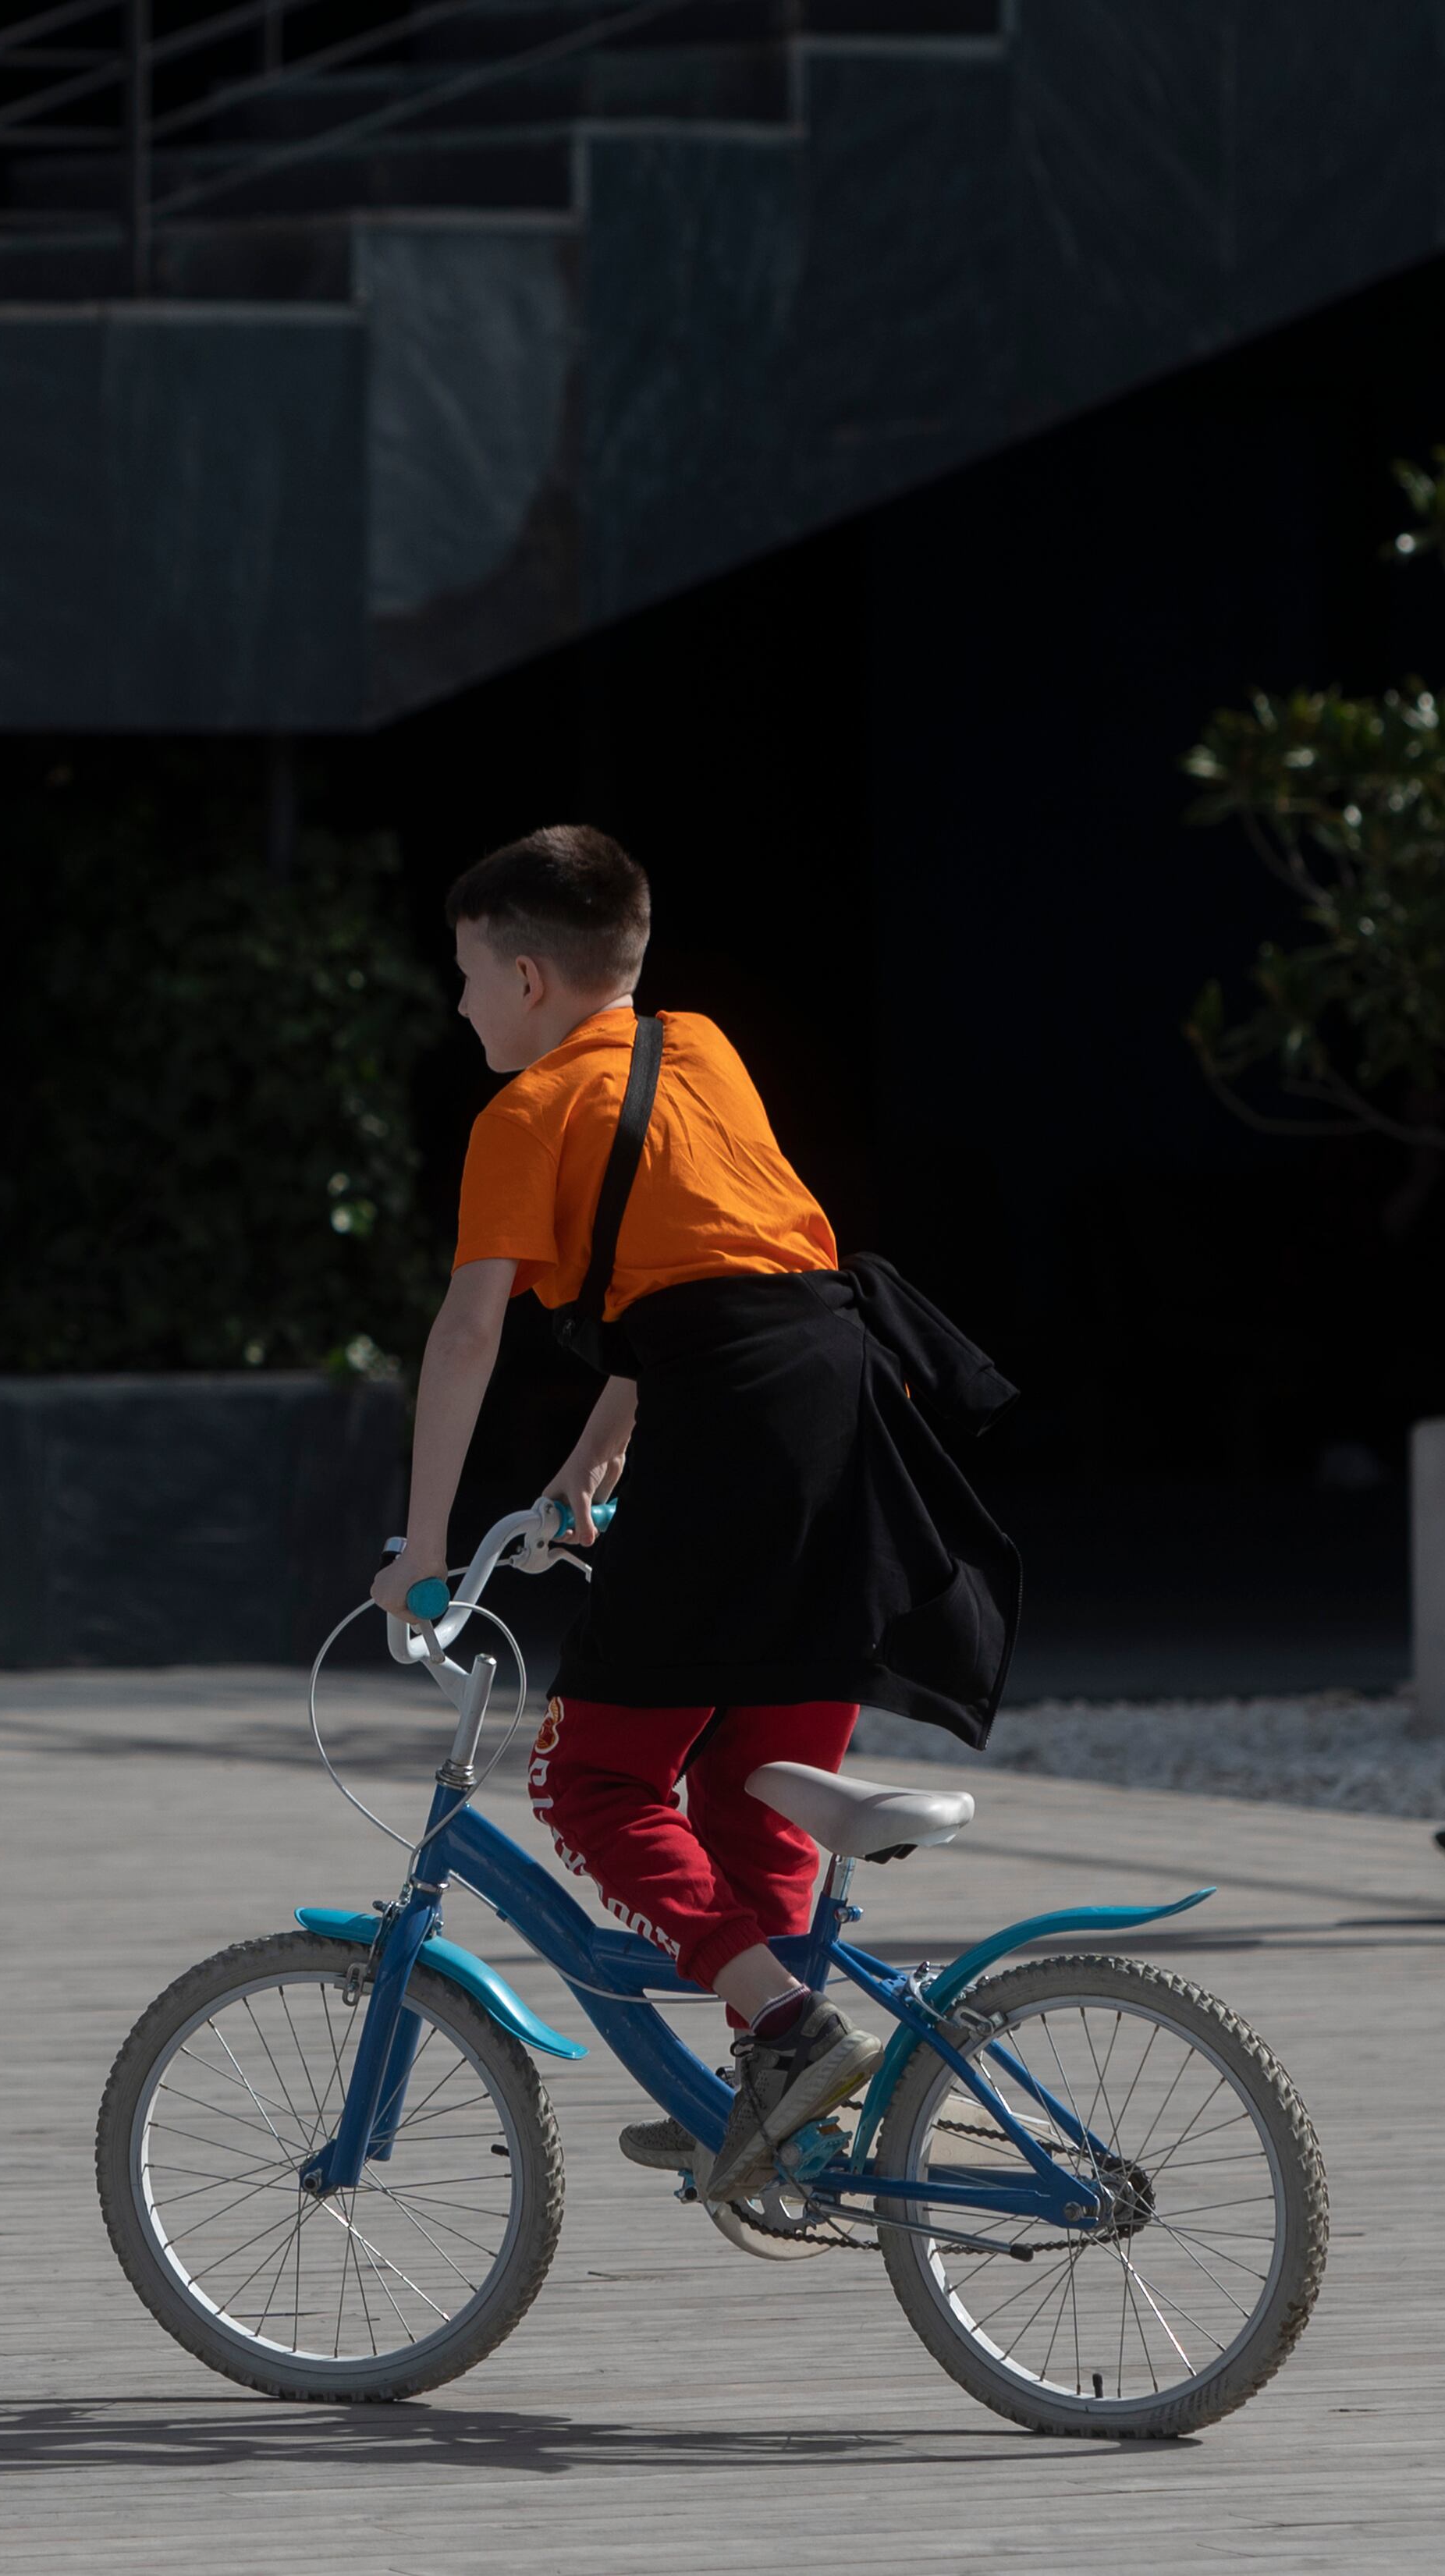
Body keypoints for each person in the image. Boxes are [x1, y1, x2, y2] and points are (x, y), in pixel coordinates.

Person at [369, 826, 1017, 2206]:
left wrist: (422, 1555)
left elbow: (470, 1330)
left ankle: (788, 2028)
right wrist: (588, 1470)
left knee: (590, 1777)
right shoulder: (703, 1047)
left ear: (531, 978)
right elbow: (702, 1295)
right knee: (754, 1780)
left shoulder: (526, 1113)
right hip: (848, 1412)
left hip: (735, 1432)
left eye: (470, 973)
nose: (462, 1002)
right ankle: (775, 2093)